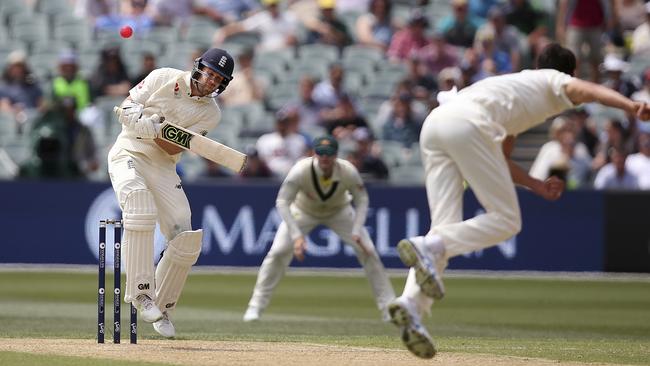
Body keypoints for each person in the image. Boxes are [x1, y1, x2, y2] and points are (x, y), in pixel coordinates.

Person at [385, 43, 650, 359]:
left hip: (437, 124)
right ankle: (430, 245)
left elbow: (500, 157)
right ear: (569, 71)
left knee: (445, 231)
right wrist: (631, 106)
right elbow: (589, 90)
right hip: (467, 123)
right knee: (506, 220)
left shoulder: (513, 90)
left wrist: (535, 184)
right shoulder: (552, 80)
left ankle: (410, 305)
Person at [108, 48, 235, 338]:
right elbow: (127, 105)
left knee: (186, 237)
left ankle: (162, 308)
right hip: (128, 152)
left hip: (163, 166)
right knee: (140, 208)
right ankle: (141, 294)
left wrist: (156, 128)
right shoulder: (163, 77)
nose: (212, 80)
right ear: (198, 67)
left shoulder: (210, 113)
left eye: (219, 78)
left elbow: (172, 147)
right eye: (210, 72)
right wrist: (137, 120)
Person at [243, 136, 395, 322]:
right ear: (314, 154)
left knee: (369, 252)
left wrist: (356, 229)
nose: (324, 158)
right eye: (321, 153)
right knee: (277, 252)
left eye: (329, 154)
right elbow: (283, 201)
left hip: (339, 212)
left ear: (336, 156)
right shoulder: (301, 170)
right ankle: (255, 307)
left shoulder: (347, 171)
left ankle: (389, 308)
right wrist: (297, 236)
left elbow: (362, 200)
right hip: (303, 211)